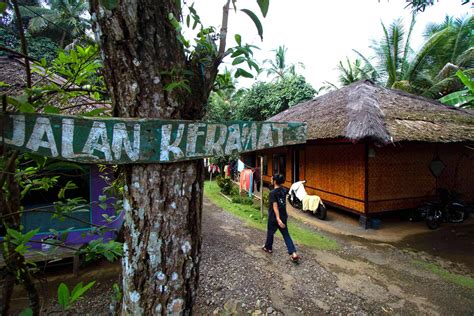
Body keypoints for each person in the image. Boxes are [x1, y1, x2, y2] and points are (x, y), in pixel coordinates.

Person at [262, 174, 299, 262]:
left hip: (274, 217)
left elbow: (275, 206)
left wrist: (278, 219)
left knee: (270, 232)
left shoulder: (272, 193)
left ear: (274, 181)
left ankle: (268, 248)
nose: (271, 179)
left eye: (272, 179)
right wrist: (281, 218)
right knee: (286, 234)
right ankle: (293, 253)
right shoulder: (284, 190)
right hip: (283, 216)